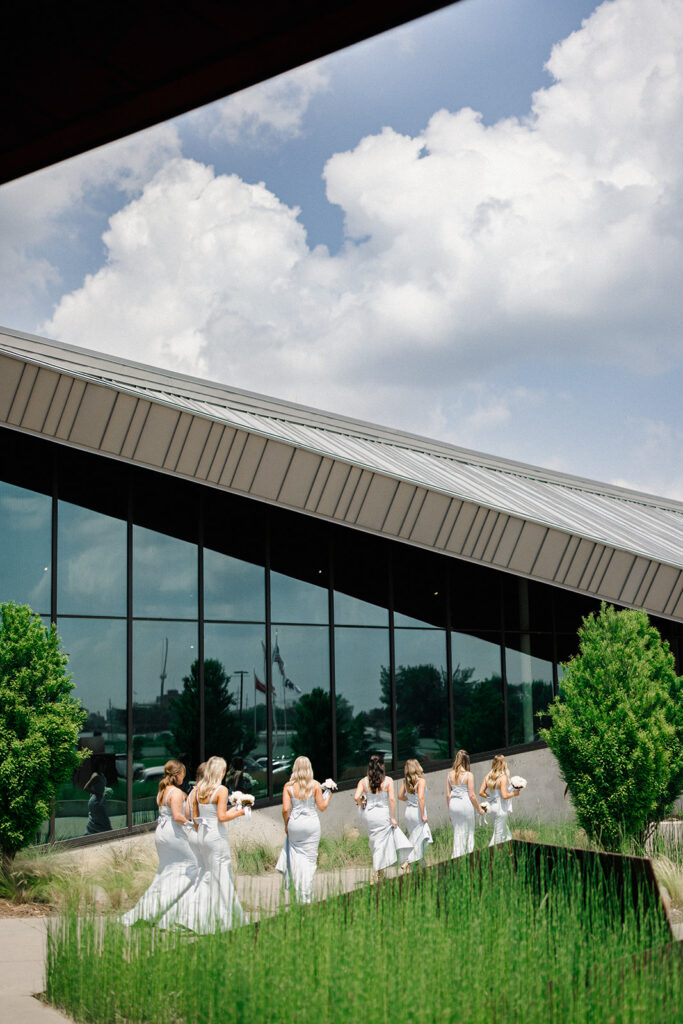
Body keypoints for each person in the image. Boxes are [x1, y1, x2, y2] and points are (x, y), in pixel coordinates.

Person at [158, 755, 248, 933]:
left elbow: (194, 816)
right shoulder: (221, 790)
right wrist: (240, 811)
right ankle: (227, 920)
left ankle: (188, 917)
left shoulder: (197, 790)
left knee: (204, 878)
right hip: (215, 838)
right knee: (222, 878)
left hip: (199, 837)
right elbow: (222, 817)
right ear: (221, 771)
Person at [120, 760, 197, 925]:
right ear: (177, 775)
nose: (184, 776)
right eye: (183, 773)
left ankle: (149, 910)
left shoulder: (162, 791)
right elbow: (177, 816)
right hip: (173, 834)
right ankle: (169, 910)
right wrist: (193, 826)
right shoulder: (175, 793)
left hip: (162, 833)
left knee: (166, 872)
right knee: (192, 866)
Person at [275, 756, 332, 903]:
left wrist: (287, 824)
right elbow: (322, 807)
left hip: (295, 824)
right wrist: (330, 794)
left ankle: (298, 890)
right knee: (310, 860)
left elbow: (286, 809)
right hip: (312, 825)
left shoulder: (288, 787)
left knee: (296, 859)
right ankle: (306, 893)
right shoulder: (315, 785)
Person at [354, 754, 412, 883]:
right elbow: (391, 799)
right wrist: (393, 817)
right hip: (383, 815)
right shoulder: (388, 781)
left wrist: (364, 803)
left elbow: (357, 797)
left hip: (369, 815)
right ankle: (397, 864)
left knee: (378, 842)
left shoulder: (363, 781)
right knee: (386, 840)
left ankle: (384, 871)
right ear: (382, 766)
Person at [447, 750, 485, 858]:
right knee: (469, 831)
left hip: (453, 805)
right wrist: (479, 809)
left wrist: (450, 812)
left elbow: (448, 795)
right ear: (466, 762)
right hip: (464, 804)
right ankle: (467, 855)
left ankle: (456, 855)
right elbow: (472, 795)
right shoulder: (468, 775)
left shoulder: (449, 775)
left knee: (457, 832)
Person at [398, 759, 432, 870]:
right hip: (417, 812)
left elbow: (400, 796)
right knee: (419, 838)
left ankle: (422, 865)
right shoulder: (421, 781)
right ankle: (408, 861)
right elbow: (421, 798)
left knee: (414, 838)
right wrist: (423, 815)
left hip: (408, 812)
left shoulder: (405, 781)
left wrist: (409, 800)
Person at [479, 754, 520, 846]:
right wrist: (514, 793)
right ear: (503, 764)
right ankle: (491, 855)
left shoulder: (488, 777)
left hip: (492, 809)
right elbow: (504, 795)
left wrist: (490, 797)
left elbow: (481, 792)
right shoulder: (503, 778)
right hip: (501, 809)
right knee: (498, 836)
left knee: (506, 834)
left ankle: (505, 854)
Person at [83, 758, 112, 834]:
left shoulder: (101, 775)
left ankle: (90, 835)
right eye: (102, 765)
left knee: (97, 820)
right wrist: (97, 793)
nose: (103, 767)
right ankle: (108, 834)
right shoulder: (95, 775)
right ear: (98, 765)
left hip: (100, 800)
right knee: (103, 820)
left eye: (104, 765)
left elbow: (101, 786)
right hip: (95, 801)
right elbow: (86, 788)